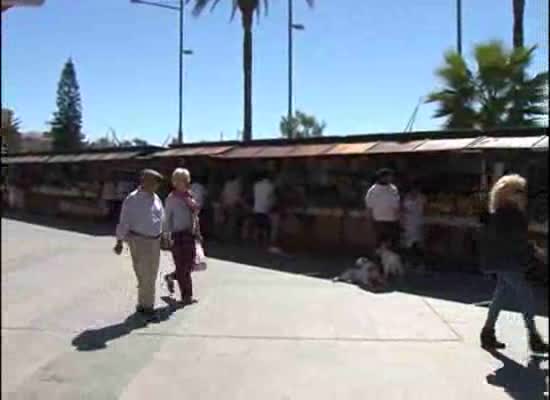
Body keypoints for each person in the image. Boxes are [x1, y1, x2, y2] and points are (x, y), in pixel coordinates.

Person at [480, 174, 548, 353]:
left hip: (501, 261)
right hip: (509, 262)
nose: (523, 195)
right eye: (518, 191)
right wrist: (535, 251)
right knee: (526, 296)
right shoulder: (511, 214)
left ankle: (487, 332)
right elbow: (517, 240)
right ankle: (534, 337)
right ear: (508, 193)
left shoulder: (499, 213)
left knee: (500, 297)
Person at [114, 169, 164, 319]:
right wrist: (119, 241)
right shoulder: (132, 199)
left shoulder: (156, 198)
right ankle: (147, 307)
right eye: (154, 183)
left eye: (157, 184)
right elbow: (124, 221)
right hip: (139, 241)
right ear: (145, 181)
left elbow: (162, 217)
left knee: (152, 274)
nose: (156, 187)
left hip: (155, 241)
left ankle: (144, 304)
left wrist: (165, 235)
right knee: (144, 274)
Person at [163, 168, 200, 306]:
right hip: (177, 235)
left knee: (189, 266)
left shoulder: (190, 196)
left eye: (184, 180)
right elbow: (167, 218)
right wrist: (166, 236)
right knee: (181, 266)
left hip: (190, 234)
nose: (182, 183)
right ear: (174, 182)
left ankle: (171, 277)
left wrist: (198, 233)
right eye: (179, 180)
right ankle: (187, 296)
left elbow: (195, 217)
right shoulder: (171, 199)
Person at [365, 168, 401, 252]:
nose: (390, 179)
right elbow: (369, 207)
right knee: (379, 243)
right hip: (378, 220)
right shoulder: (372, 190)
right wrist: (370, 221)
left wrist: (398, 219)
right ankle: (379, 261)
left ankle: (390, 262)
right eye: (388, 177)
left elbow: (396, 206)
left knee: (392, 243)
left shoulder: (393, 189)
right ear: (381, 177)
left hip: (392, 220)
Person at [401, 181, 427, 272]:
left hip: (418, 223)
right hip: (408, 223)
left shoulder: (421, 198)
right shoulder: (406, 198)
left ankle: (420, 264)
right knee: (408, 246)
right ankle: (409, 262)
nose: (414, 191)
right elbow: (403, 209)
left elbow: (423, 209)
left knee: (418, 245)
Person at [252, 172, 275, 247]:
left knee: (257, 227)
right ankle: (265, 243)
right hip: (266, 209)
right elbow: (271, 198)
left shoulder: (256, 185)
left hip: (256, 208)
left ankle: (255, 242)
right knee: (265, 227)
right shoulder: (271, 186)